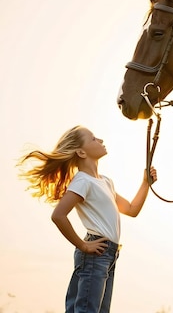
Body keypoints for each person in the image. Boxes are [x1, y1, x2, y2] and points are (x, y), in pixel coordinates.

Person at [18, 125, 157, 313]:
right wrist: (83, 246)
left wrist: (145, 183)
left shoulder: (105, 181)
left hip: (109, 254)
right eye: (93, 138)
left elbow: (132, 209)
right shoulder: (83, 181)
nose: (100, 140)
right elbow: (58, 216)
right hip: (95, 254)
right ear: (81, 152)